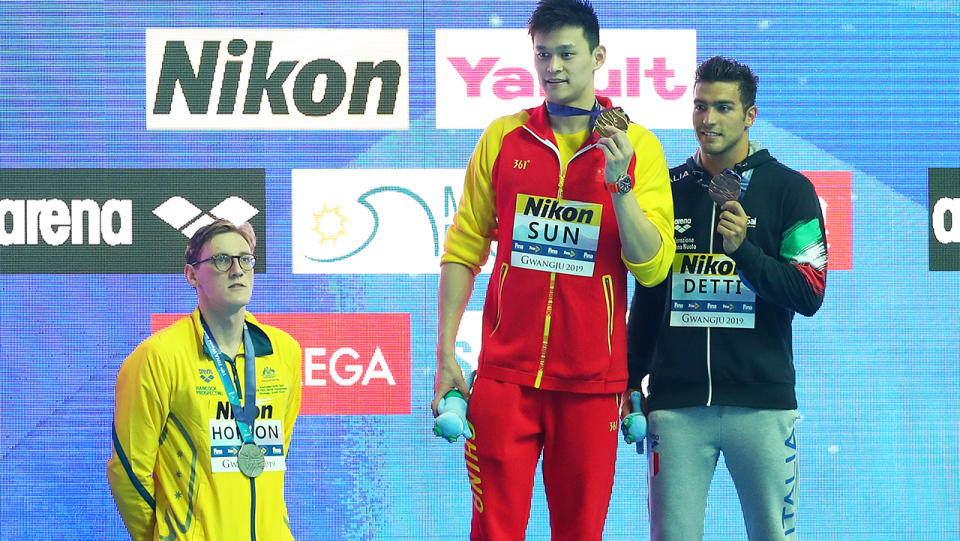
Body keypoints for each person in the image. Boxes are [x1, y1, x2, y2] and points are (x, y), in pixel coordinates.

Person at [432, 0, 675, 538]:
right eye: (543, 54)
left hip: (592, 386)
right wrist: (446, 352)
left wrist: (619, 183)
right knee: (493, 530)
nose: (553, 67)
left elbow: (654, 267)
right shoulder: (503, 138)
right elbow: (463, 248)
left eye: (567, 53)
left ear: (598, 56)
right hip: (504, 380)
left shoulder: (639, 148)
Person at [626, 56, 828, 540]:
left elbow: (809, 291)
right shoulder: (664, 189)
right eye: (699, 106)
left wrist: (747, 254)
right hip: (676, 407)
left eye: (722, 107)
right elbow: (649, 297)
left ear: (750, 115)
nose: (707, 119)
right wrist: (631, 381)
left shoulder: (792, 190)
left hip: (762, 406)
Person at [107, 219, 302, 541]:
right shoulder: (157, 356)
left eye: (245, 259)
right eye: (222, 260)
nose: (237, 270)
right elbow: (128, 471)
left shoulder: (284, 352)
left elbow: (277, 455)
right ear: (192, 275)